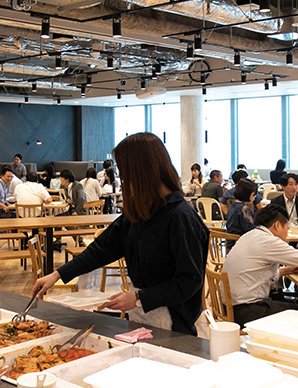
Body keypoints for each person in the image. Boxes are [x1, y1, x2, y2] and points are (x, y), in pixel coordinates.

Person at [32, 133, 208, 335]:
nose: (123, 179)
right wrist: (58, 274)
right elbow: (102, 249)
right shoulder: (141, 210)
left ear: (141, 171)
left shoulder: (180, 217)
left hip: (174, 323)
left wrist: (139, 298)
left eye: (125, 173)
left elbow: (189, 280)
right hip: (142, 315)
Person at [223, 205, 298, 324]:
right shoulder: (269, 242)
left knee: (292, 304)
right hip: (247, 310)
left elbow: (258, 274)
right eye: (287, 227)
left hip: (229, 307)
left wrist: (286, 270)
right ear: (277, 225)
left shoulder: (250, 235)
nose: (287, 232)